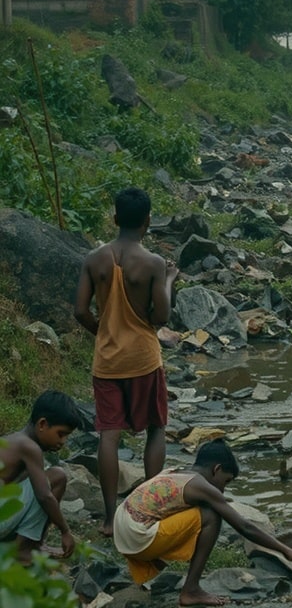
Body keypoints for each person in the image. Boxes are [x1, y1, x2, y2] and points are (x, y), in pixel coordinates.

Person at [74, 186, 177, 536]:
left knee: (108, 434)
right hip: (144, 359)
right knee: (156, 427)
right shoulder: (153, 264)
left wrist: (102, 333)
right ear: (148, 222)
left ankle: (107, 518)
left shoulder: (94, 258)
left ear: (115, 218)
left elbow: (80, 310)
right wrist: (169, 281)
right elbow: (160, 317)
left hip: (107, 360)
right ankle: (151, 509)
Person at [113, 439, 292, 605]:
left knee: (194, 512)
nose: (223, 490)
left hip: (123, 530)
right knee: (211, 515)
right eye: (226, 481)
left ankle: (159, 566)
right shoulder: (200, 485)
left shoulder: (177, 472)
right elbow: (244, 526)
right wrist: (287, 551)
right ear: (216, 469)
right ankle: (191, 590)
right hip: (137, 536)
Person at [0, 390, 81, 564]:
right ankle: (26, 549)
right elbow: (44, 495)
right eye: (61, 434)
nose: (63, 441)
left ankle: (28, 545)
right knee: (57, 477)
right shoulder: (29, 447)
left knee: (46, 479)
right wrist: (65, 531)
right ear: (42, 424)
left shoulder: (17, 440)